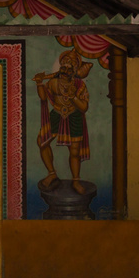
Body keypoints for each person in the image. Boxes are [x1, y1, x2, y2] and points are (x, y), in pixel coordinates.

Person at [34, 47, 93, 188]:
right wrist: (39, 83)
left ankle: (76, 181)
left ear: (75, 68)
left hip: (74, 116)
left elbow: (84, 107)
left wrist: (73, 96)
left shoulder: (79, 85)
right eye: (65, 62)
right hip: (57, 114)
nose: (67, 65)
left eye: (70, 63)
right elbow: (43, 98)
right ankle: (52, 173)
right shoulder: (53, 82)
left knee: (74, 151)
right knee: (42, 141)